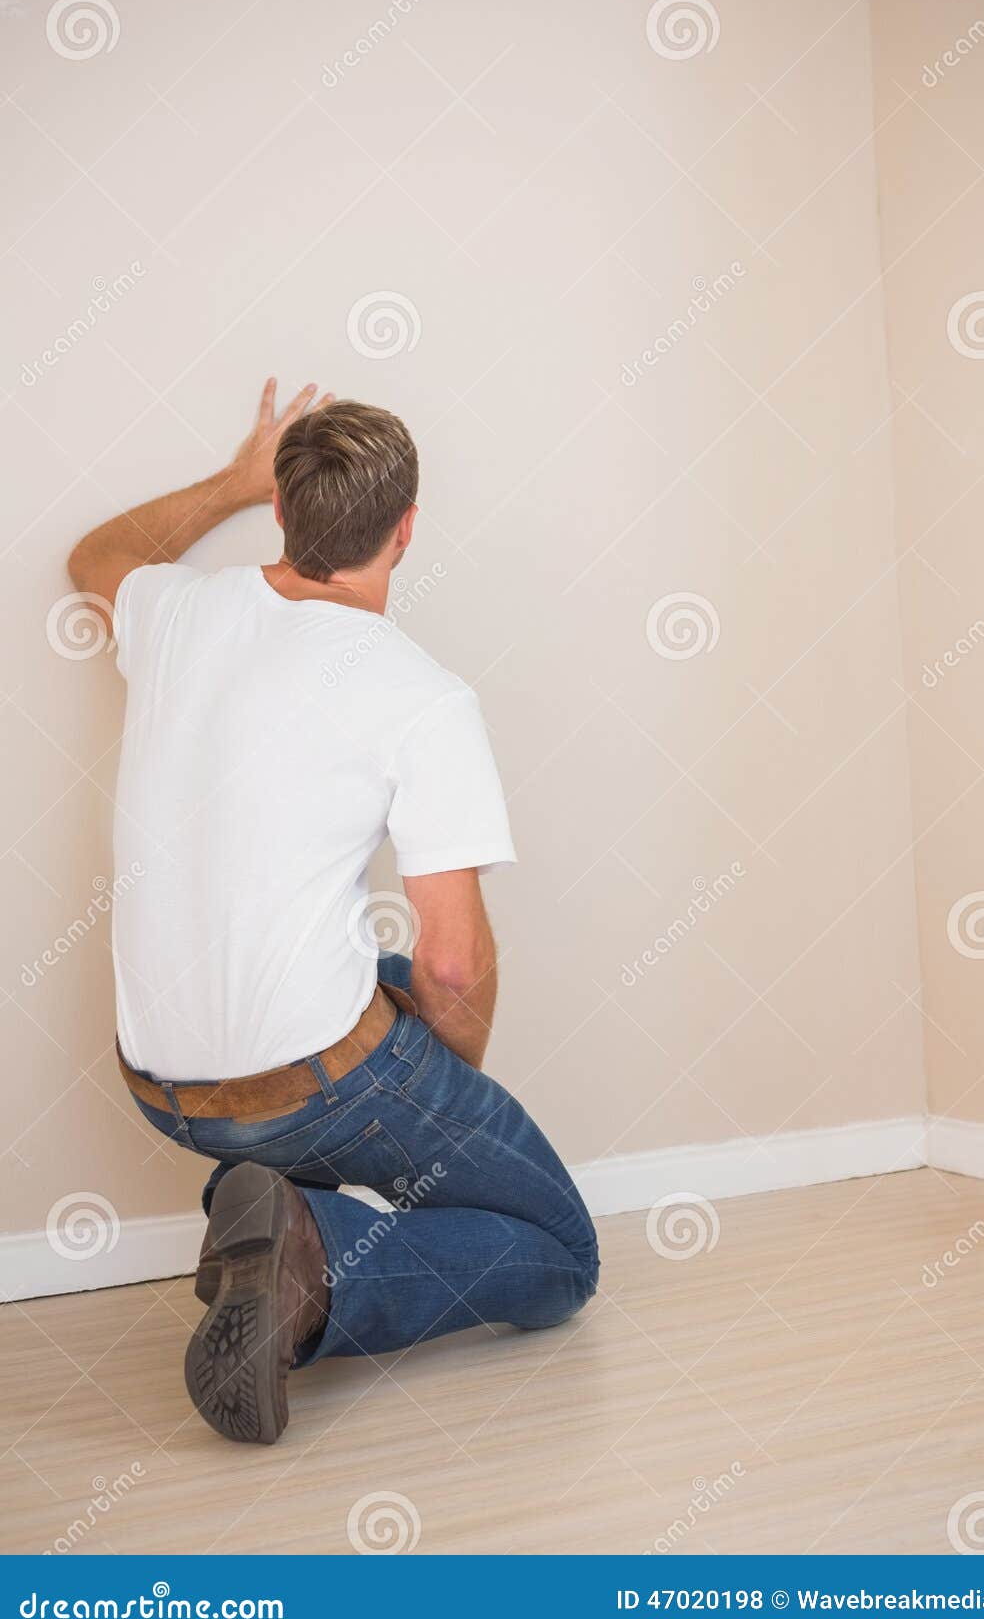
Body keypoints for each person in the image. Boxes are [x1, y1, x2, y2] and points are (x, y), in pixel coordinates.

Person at [67, 380, 599, 1444]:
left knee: (378, 984)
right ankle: (312, 1262)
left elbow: (92, 555)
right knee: (557, 1250)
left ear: (281, 509)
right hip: (300, 1087)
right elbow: (451, 967)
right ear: (405, 530)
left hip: (160, 1082)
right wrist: (443, 1106)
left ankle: (260, 1202)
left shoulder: (175, 609)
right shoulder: (419, 695)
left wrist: (226, 476)